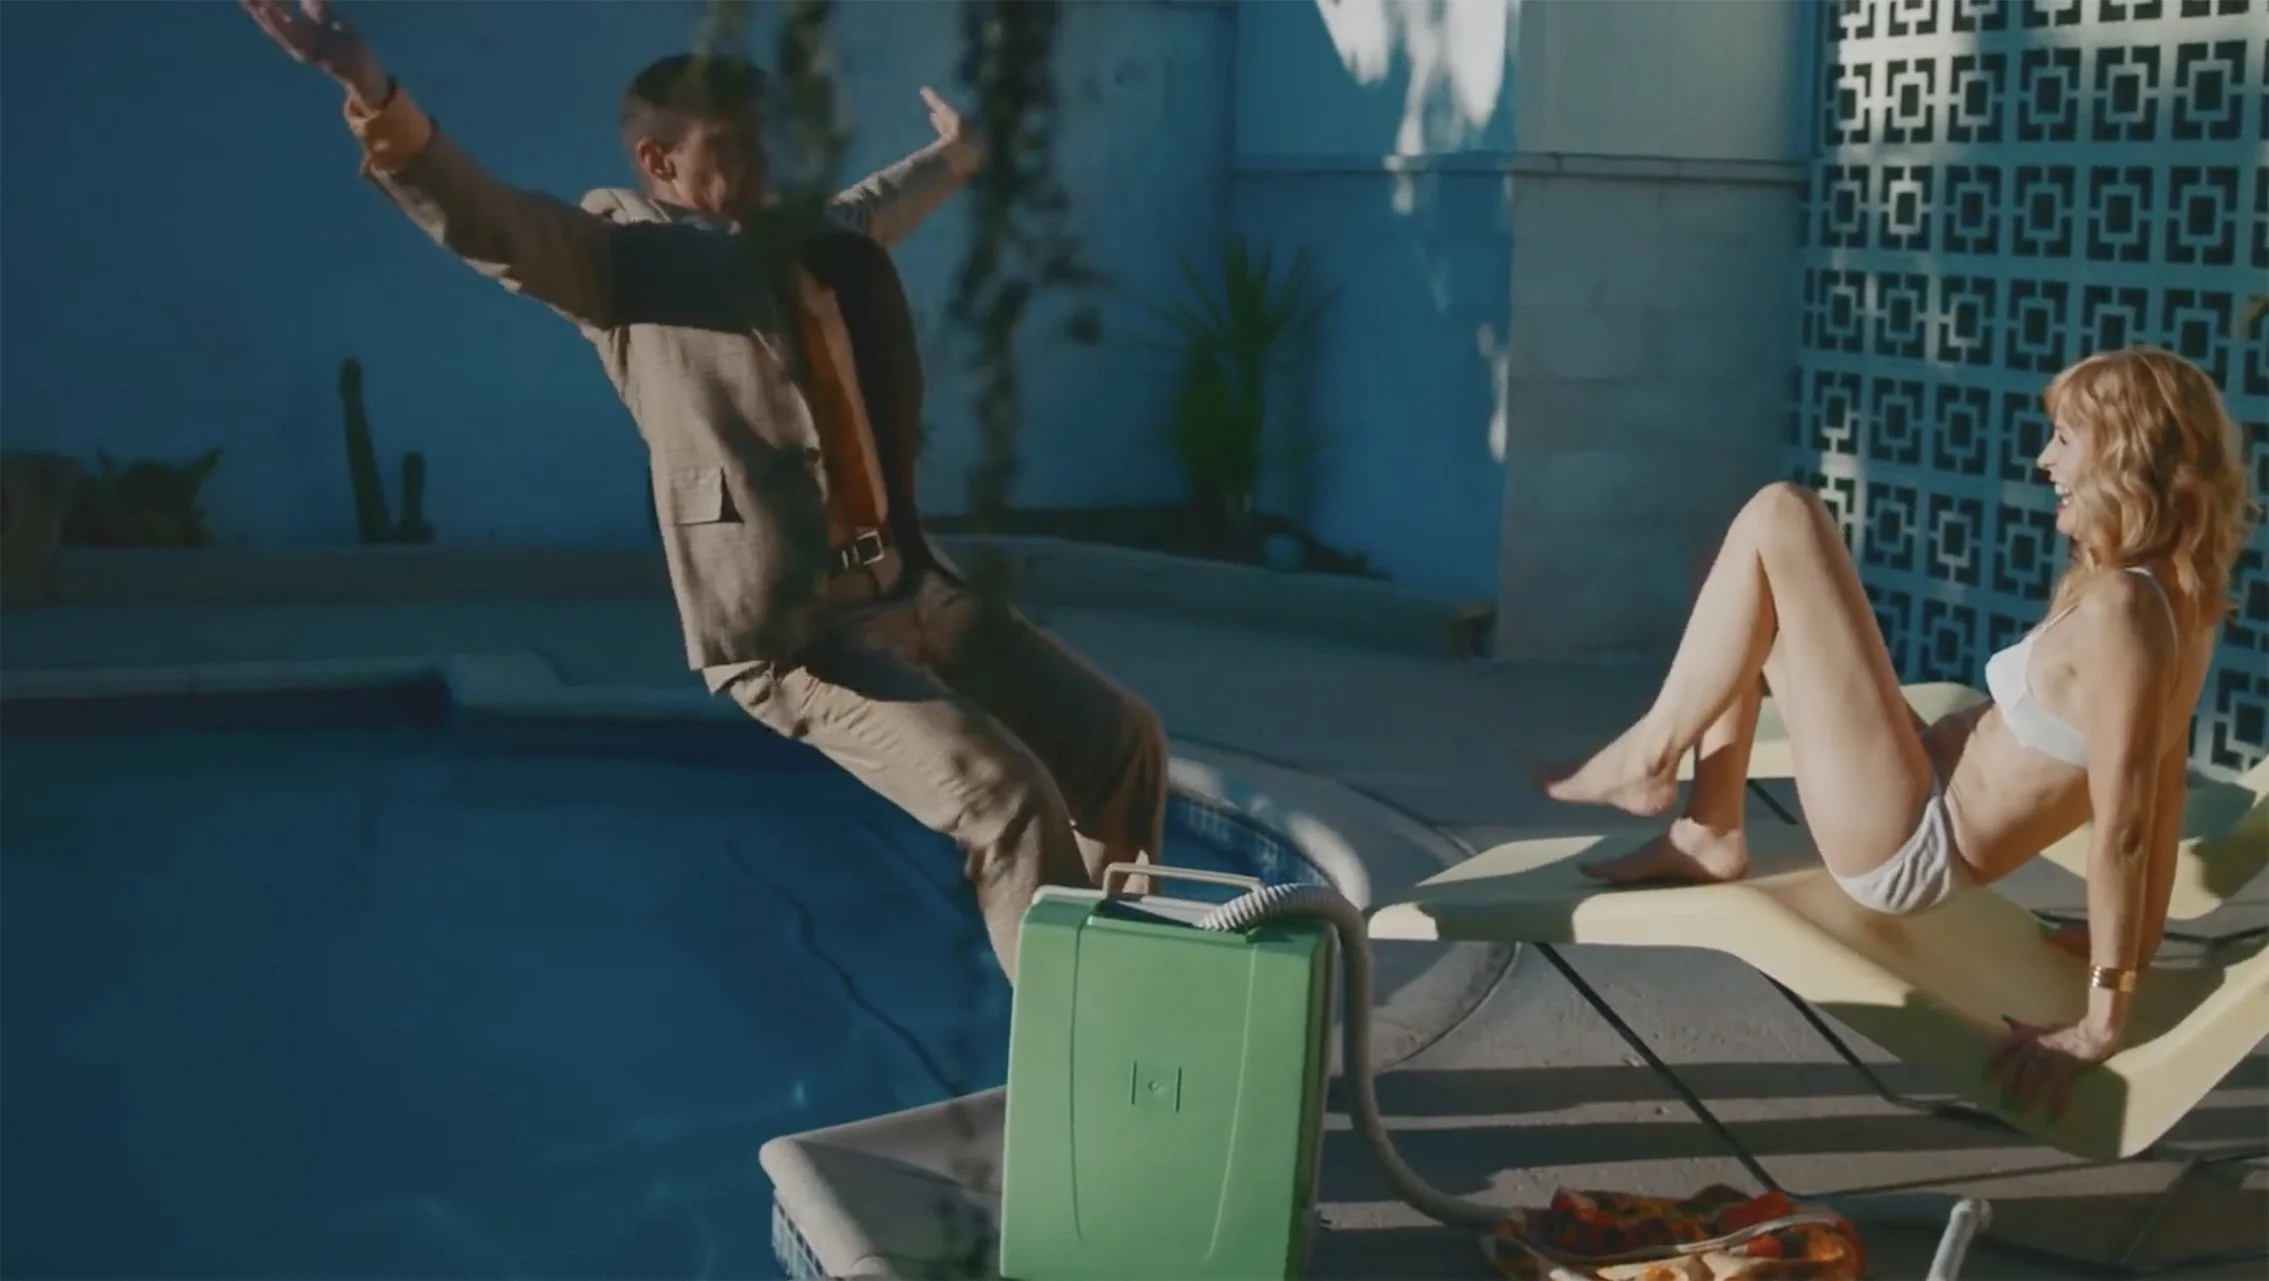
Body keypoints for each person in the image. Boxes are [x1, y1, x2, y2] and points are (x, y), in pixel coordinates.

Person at [240, 0, 1167, 983]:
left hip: (907, 585)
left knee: (1120, 742)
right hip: (797, 636)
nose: (767, 166)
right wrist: (369, 91)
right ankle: (1088, 1050)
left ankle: (1128, 973)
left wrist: (960, 154)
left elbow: (876, 205)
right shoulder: (617, 265)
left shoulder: (813, 239)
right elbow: (484, 218)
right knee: (1007, 795)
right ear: (660, 164)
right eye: (736, 148)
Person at [1534, 345, 2258, 1118]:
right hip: (1918, 782)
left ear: (2123, 455)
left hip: (1911, 837)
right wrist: (2136, 947)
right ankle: (1709, 826)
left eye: (2065, 439)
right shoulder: (2172, 596)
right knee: (1737, 561)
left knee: (1784, 512)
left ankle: (1648, 759)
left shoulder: (2124, 611)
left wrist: (2101, 1015)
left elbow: (2130, 822)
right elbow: (2169, 781)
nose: (2044, 459)